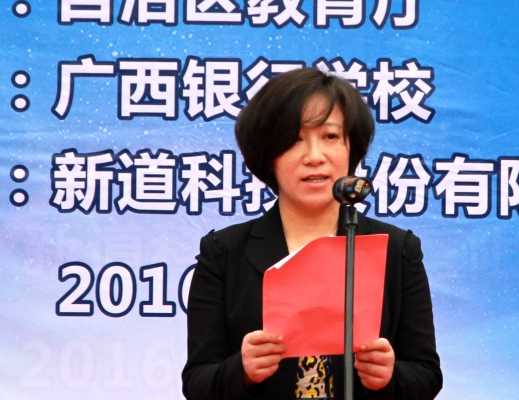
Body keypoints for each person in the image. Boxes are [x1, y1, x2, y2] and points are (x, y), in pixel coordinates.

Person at [182, 68, 442, 399]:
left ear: (351, 147)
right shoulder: (224, 252)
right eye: (294, 140)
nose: (314, 157)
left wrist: (390, 376)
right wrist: (242, 370)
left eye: (330, 137)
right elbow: (197, 382)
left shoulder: (396, 249)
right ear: (268, 155)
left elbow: (426, 375)